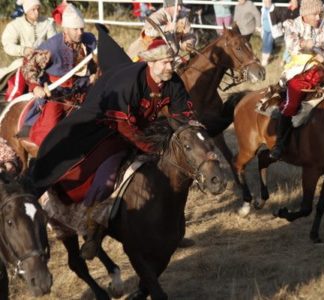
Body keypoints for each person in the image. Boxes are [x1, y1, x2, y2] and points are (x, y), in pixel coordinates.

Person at [30, 25, 196, 260]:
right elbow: (124, 126)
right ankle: (93, 230)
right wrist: (150, 147)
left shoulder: (173, 81)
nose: (171, 67)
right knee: (107, 175)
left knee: (176, 176)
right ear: (152, 63)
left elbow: (184, 116)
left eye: (172, 62)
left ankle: (172, 231)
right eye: (166, 63)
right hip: (112, 132)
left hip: (148, 132)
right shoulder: (130, 83)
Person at [269, 0, 324, 160]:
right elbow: (292, 46)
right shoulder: (291, 25)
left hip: (323, 69)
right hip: (299, 70)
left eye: (320, 13)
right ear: (304, 14)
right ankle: (280, 143)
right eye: (315, 14)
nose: (318, 17)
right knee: (293, 99)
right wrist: (305, 44)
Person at [21, 4, 97, 147]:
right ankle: (44, 157)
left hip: (84, 90)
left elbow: (98, 60)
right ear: (65, 29)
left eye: (82, 28)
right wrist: (36, 86)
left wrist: (94, 74)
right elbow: (29, 66)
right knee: (49, 130)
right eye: (75, 29)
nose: (80, 32)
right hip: (57, 93)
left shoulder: (89, 40)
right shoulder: (52, 47)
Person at [1, 0, 57, 101]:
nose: (37, 12)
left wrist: (46, 52)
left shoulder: (48, 23)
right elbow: (7, 44)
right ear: (26, 10)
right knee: (18, 84)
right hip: (22, 63)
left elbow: (54, 43)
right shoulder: (15, 25)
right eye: (33, 9)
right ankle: (9, 106)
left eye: (38, 9)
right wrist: (23, 50)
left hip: (45, 62)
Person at [127, 0, 196, 61]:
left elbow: (189, 35)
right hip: (146, 54)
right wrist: (166, 28)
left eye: (181, 5)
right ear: (168, 6)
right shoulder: (157, 16)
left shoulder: (183, 19)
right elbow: (147, 33)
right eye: (176, 5)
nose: (180, 8)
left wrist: (188, 44)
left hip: (170, 56)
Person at [261, 0, 273, 66]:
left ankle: (266, 59)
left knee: (269, 44)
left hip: (271, 30)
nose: (266, 2)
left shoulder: (273, 9)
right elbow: (262, 19)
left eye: (268, 1)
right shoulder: (263, 9)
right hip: (265, 29)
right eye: (265, 1)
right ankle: (263, 58)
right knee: (264, 43)